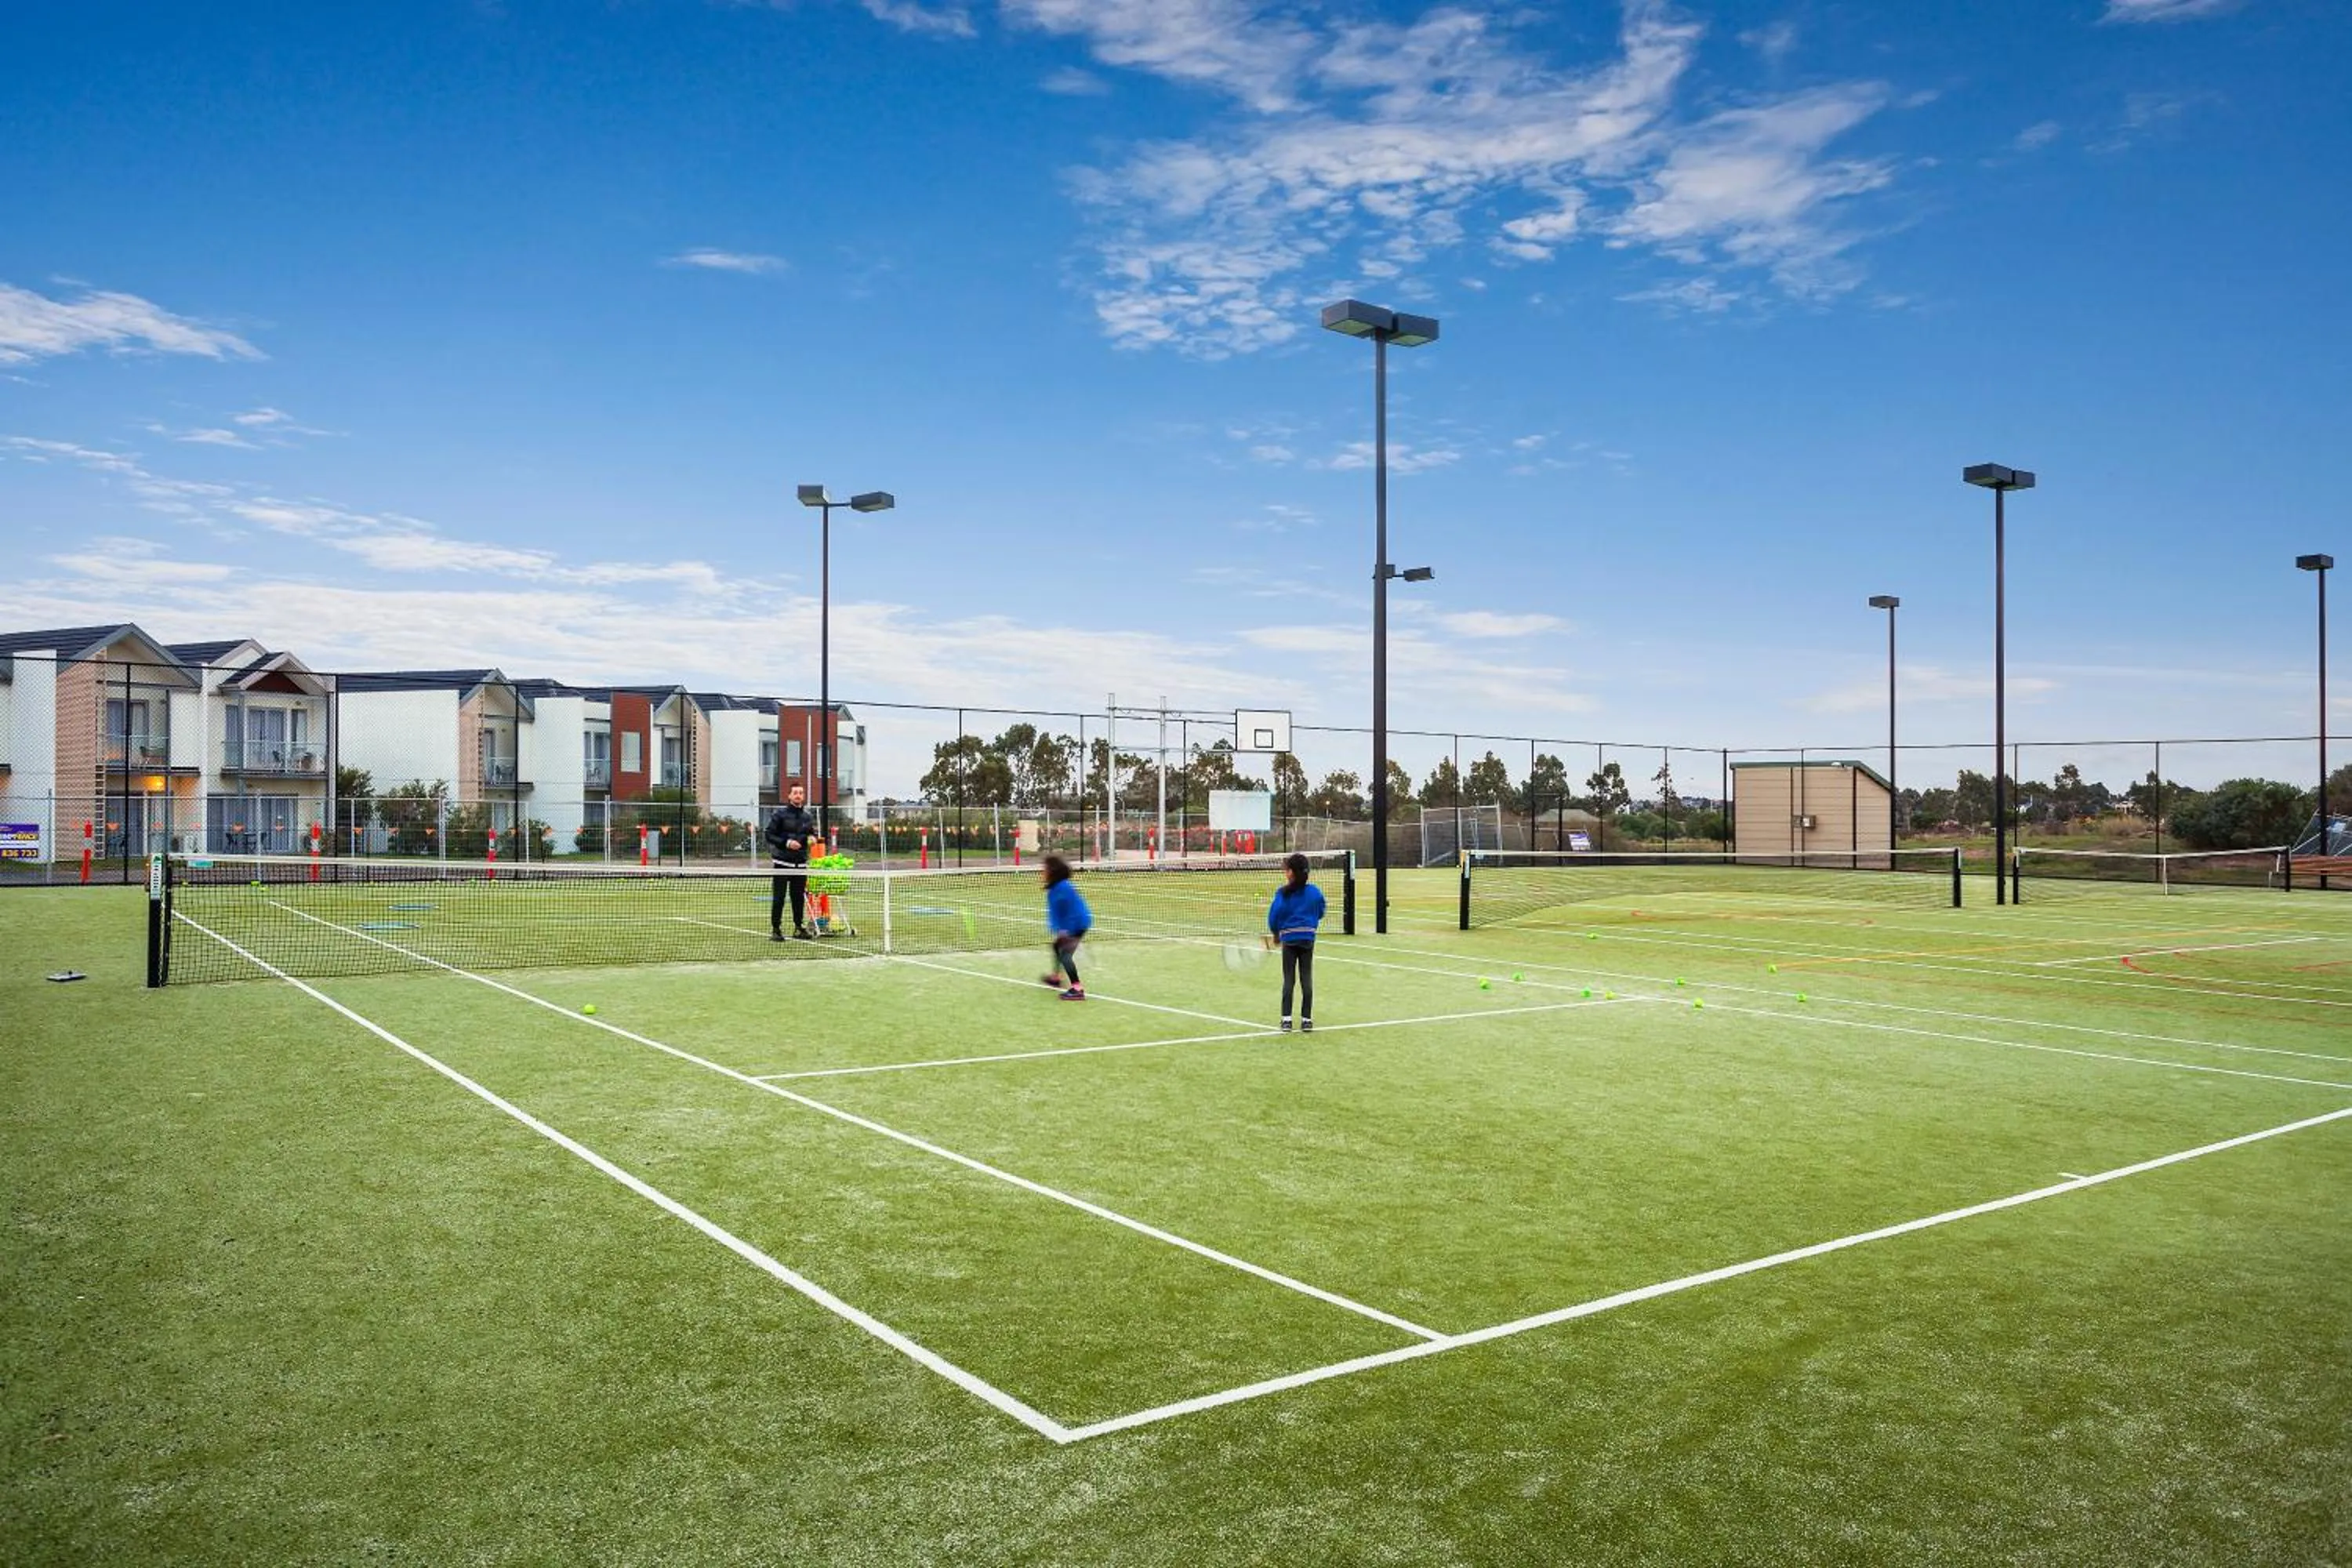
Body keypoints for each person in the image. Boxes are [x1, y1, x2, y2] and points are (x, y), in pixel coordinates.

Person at [1266, 851, 1326, 1032]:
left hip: (1289, 940)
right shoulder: (1314, 892)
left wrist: (1276, 933)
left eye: (1287, 869)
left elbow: (1274, 916)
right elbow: (1321, 911)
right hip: (1308, 938)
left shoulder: (1282, 894)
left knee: (1289, 980)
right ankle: (1307, 1020)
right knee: (1306, 979)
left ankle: (1286, 1020)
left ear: (1291, 872)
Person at [764, 784, 817, 940]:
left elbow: (811, 834)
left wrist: (812, 839)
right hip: (782, 862)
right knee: (779, 897)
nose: (798, 795)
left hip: (800, 864)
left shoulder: (808, 817)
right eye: (795, 793)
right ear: (789, 796)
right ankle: (776, 929)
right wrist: (787, 843)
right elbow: (769, 835)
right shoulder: (779, 814)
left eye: (801, 793)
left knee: (798, 897)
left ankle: (799, 928)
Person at [1038, 854, 1090, 1000]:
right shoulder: (1055, 888)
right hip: (1072, 924)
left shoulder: (1063, 888)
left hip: (1077, 924)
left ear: (1052, 871)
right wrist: (1059, 928)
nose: (1042, 872)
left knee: (1065, 956)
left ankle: (1077, 989)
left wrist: (1065, 931)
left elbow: (1072, 911)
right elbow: (1057, 913)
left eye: (1045, 869)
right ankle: (1056, 978)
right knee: (1056, 947)